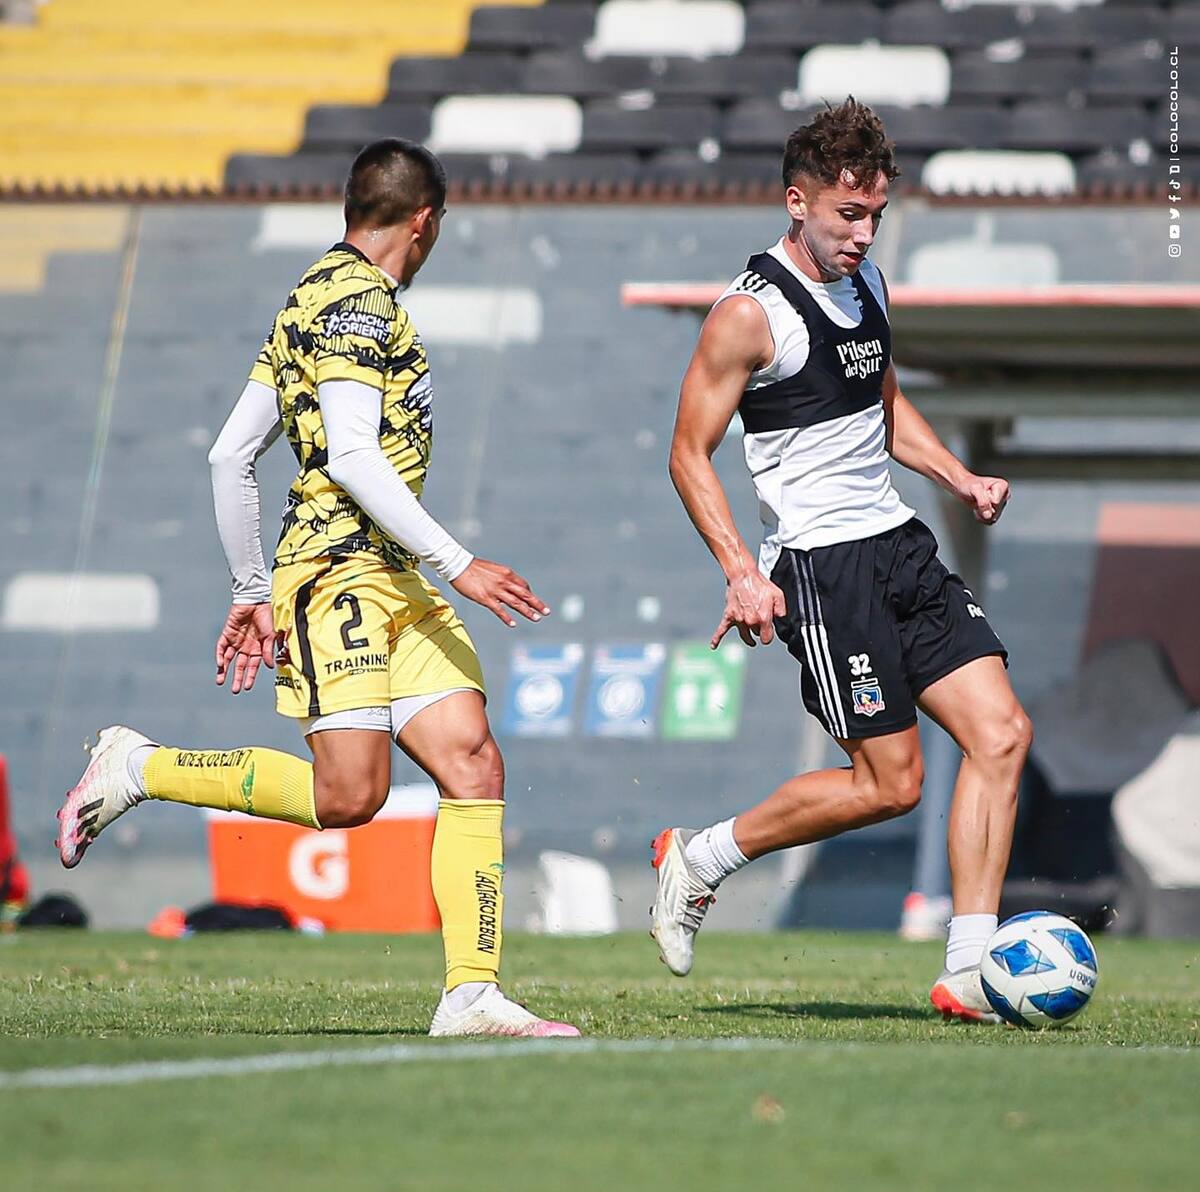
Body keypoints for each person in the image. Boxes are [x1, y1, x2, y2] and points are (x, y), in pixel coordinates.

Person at [57, 138, 578, 1039]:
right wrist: (459, 563)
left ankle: (471, 994)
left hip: (384, 572)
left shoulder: (309, 294)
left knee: (472, 761)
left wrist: (250, 588)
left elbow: (229, 455)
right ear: (425, 221)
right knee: (349, 798)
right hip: (342, 576)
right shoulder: (358, 303)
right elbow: (352, 455)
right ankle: (137, 767)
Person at [651, 99, 1032, 1023]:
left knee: (1002, 734)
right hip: (822, 570)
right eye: (847, 215)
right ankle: (701, 858)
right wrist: (743, 572)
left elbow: (881, 402)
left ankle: (968, 972)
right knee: (891, 784)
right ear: (798, 202)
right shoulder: (749, 315)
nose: (863, 235)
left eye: (875, 216)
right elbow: (688, 453)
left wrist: (957, 476)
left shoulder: (869, 288)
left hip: (899, 545)